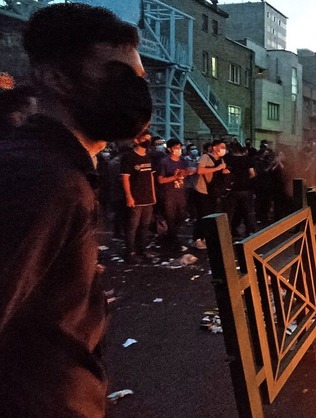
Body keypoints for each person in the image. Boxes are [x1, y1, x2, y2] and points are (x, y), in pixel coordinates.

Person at [0, 4, 151, 416]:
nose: (136, 92)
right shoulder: (43, 179)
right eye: (116, 75)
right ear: (56, 79)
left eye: (139, 78)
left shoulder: (61, 166)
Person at [121, 130, 157, 263]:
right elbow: (125, 178)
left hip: (148, 198)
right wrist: (129, 196)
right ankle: (130, 252)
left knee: (145, 226)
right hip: (136, 198)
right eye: (145, 138)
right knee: (132, 227)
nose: (147, 141)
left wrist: (153, 195)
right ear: (137, 140)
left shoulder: (148, 157)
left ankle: (142, 249)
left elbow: (151, 177)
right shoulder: (129, 157)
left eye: (149, 138)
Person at [157, 138, 195, 250]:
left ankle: (170, 237)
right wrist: (175, 177)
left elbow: (187, 172)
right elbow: (160, 180)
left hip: (181, 192)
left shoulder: (183, 161)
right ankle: (173, 241)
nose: (179, 150)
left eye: (180, 147)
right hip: (169, 193)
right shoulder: (164, 162)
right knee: (170, 217)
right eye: (176, 148)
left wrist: (188, 172)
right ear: (169, 149)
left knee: (181, 215)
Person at [192, 139, 229, 249]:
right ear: (214, 148)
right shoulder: (205, 157)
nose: (223, 149)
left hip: (213, 191)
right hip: (202, 190)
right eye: (221, 146)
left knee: (210, 215)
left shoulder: (221, 159)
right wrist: (217, 168)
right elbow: (199, 170)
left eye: (224, 147)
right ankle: (197, 239)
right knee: (202, 215)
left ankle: (205, 238)